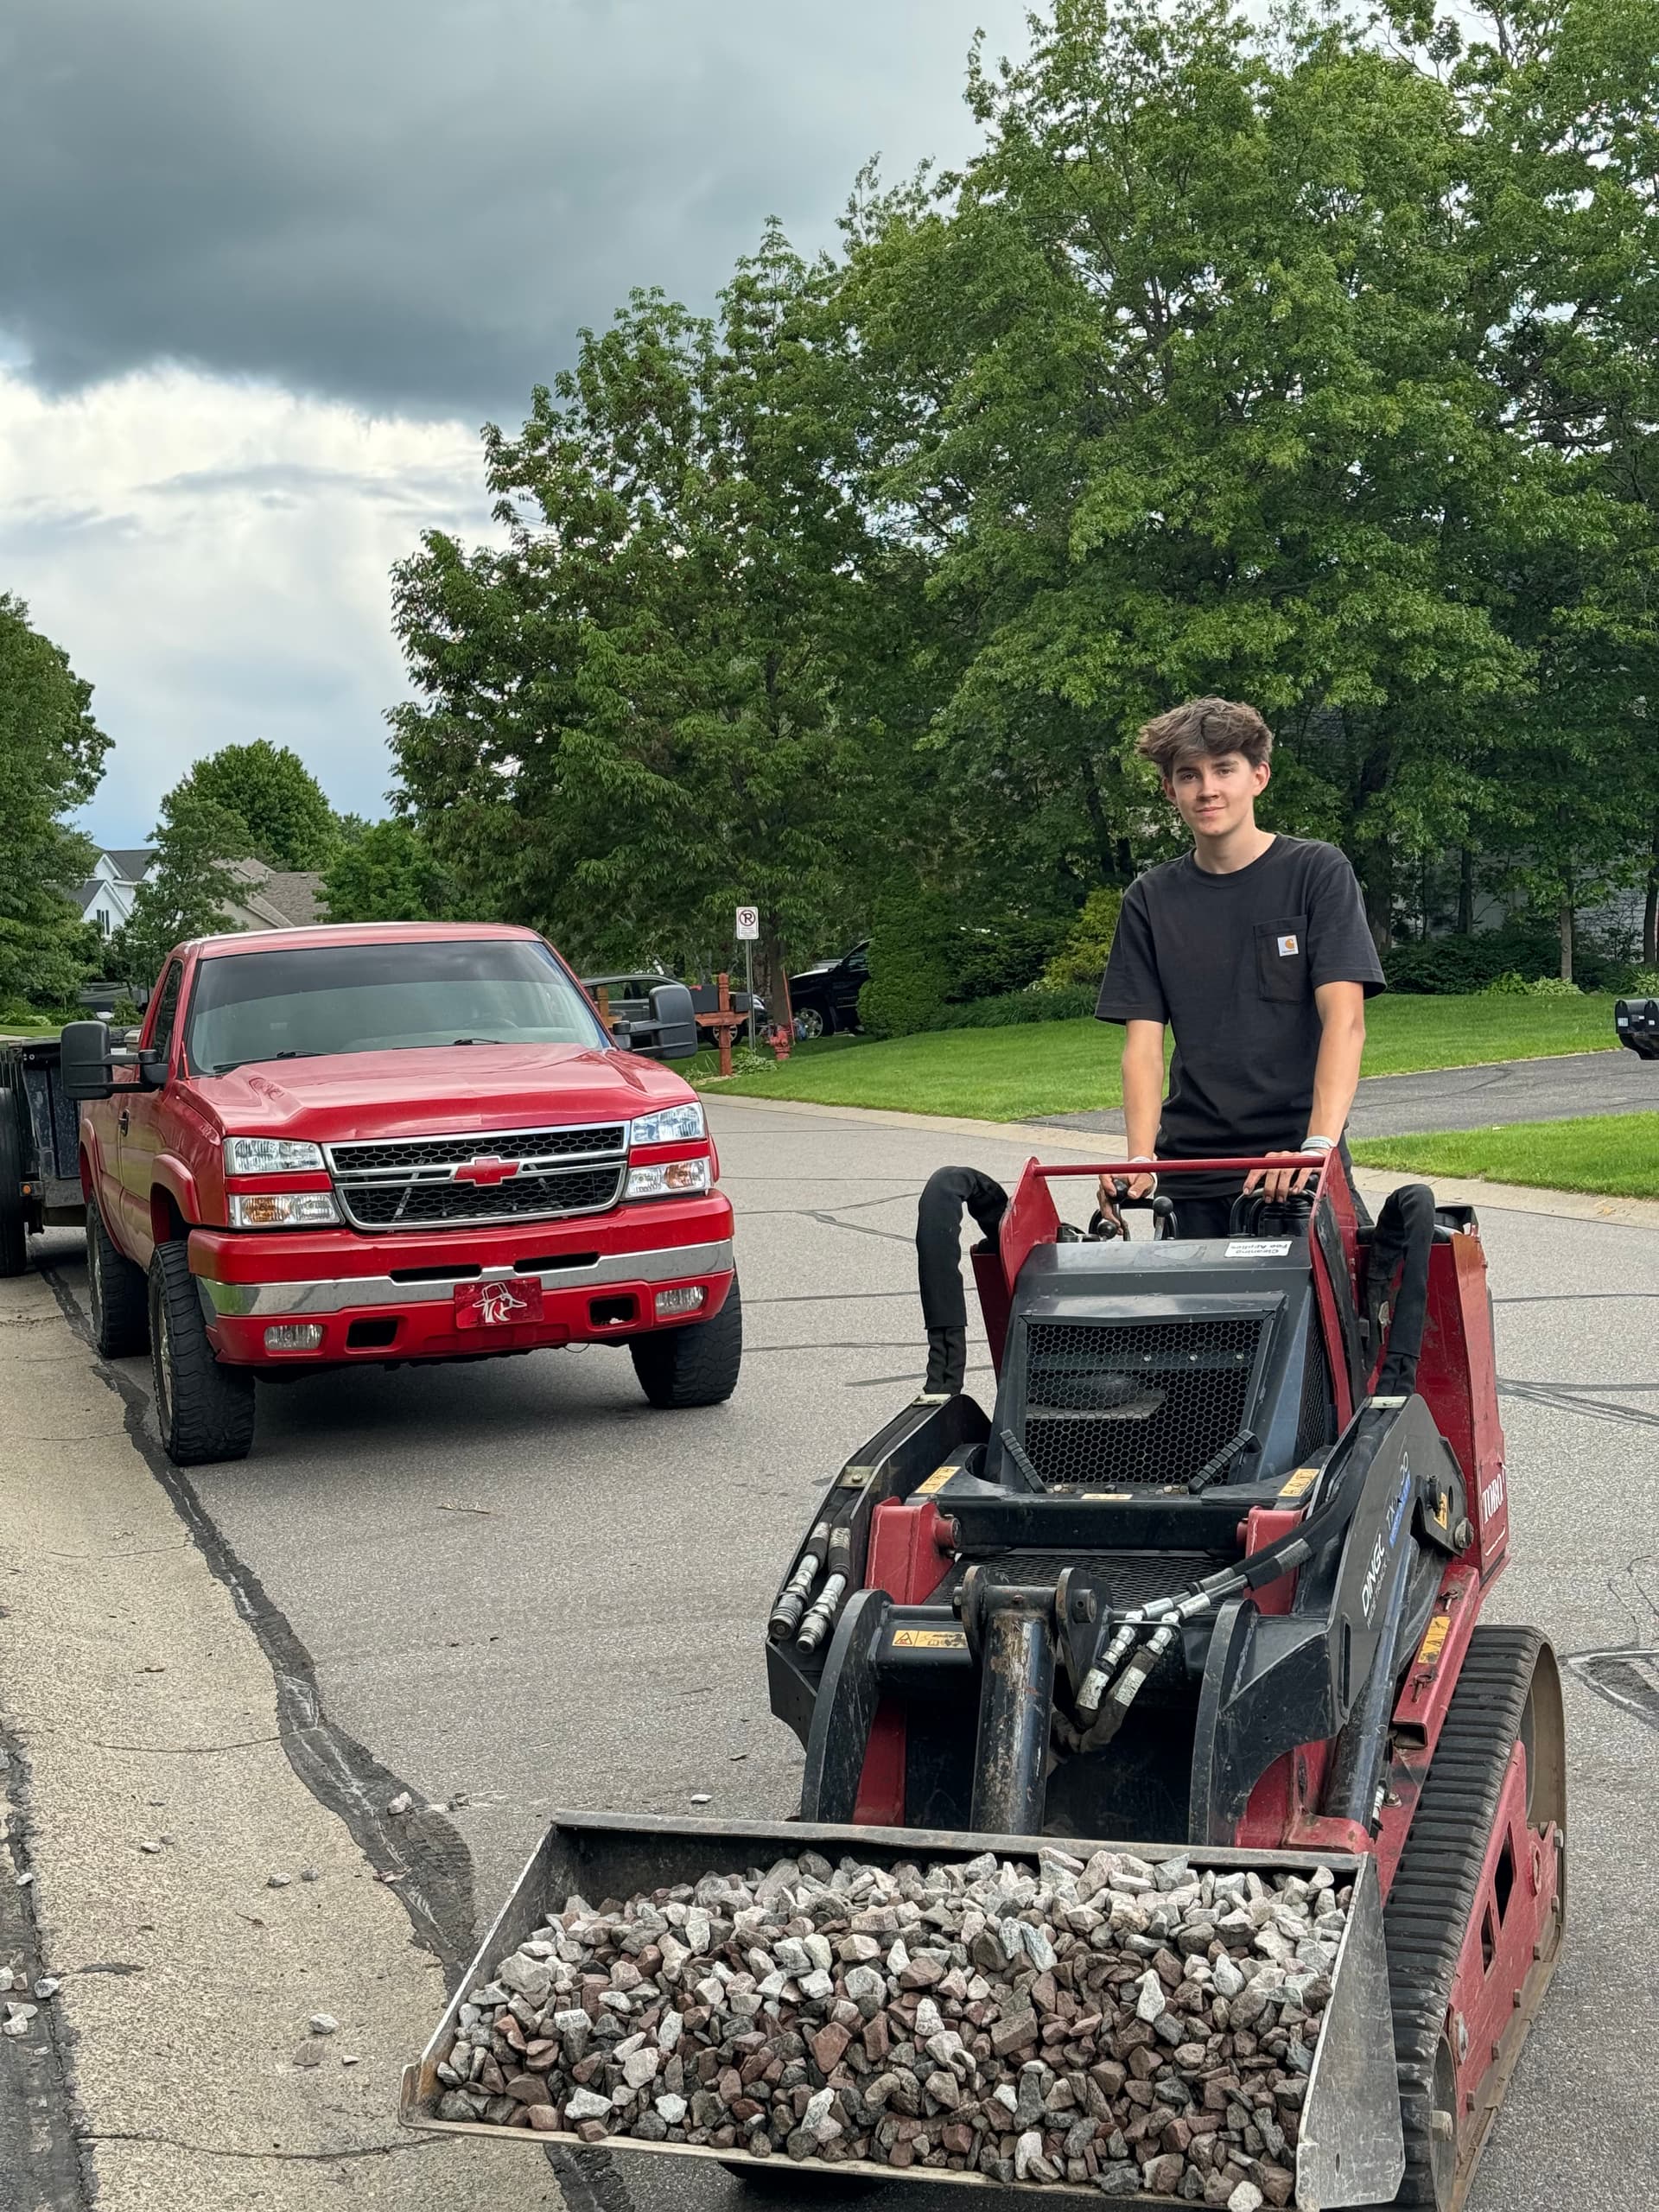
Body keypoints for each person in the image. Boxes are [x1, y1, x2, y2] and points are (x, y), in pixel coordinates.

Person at [1095, 697, 1383, 1239]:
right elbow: (1143, 1045)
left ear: (1259, 777)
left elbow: (1345, 1022)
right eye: (1189, 775)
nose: (1208, 789)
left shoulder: (1317, 872)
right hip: (1190, 1170)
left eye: (1224, 769)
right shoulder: (1150, 899)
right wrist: (1140, 1160)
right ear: (1169, 789)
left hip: (1296, 1168)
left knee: (1355, 1294)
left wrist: (1317, 1148)